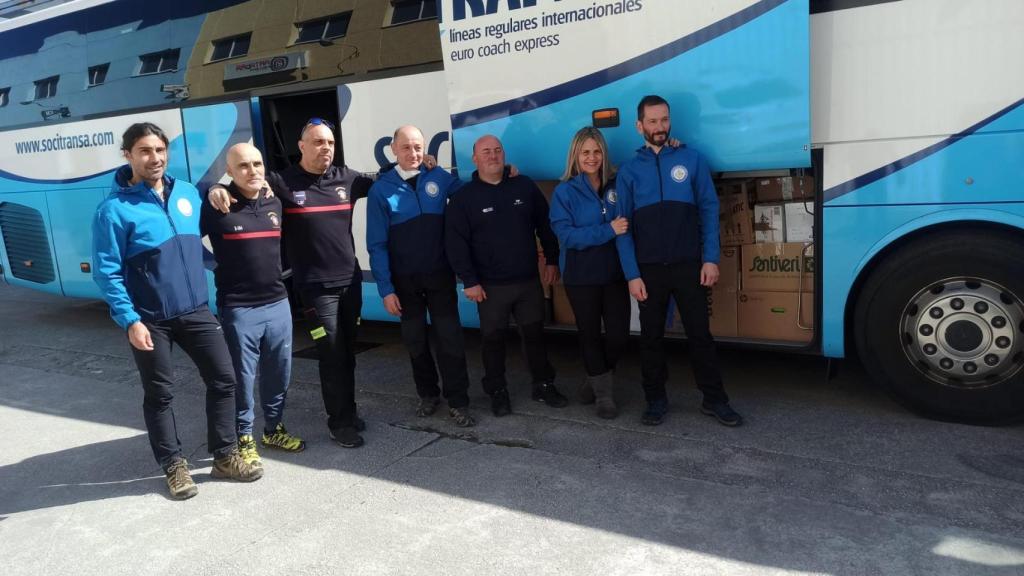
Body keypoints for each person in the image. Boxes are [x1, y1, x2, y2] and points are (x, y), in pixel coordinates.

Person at [92, 123, 262, 501]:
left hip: (196, 310)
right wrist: (130, 320)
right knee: (160, 394)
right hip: (149, 318)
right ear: (128, 156)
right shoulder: (114, 210)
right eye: (144, 151)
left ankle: (224, 455)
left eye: (159, 150)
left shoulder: (186, 192)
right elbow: (107, 271)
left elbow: (214, 212)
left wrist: (219, 188)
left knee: (224, 379)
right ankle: (173, 465)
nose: (154, 158)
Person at [208, 118, 370, 448]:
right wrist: (216, 188)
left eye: (330, 143)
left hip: (350, 283)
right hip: (314, 288)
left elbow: (388, 180)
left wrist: (420, 163)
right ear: (302, 146)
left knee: (348, 353)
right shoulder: (281, 182)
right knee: (331, 353)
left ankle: (348, 412)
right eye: (318, 142)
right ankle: (338, 422)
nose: (325, 148)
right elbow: (243, 181)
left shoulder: (347, 179)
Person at [615, 95, 743, 427]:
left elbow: (709, 209)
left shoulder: (691, 159)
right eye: (653, 121)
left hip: (689, 265)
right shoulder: (628, 171)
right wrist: (632, 274)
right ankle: (655, 400)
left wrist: (711, 259)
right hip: (649, 270)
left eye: (664, 120)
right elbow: (623, 228)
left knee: (700, 335)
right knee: (651, 338)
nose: (660, 127)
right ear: (639, 125)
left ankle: (715, 400)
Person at [445, 134, 568, 416]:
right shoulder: (464, 198)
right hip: (489, 287)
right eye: (486, 151)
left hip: (527, 282)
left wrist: (552, 260)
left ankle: (544, 384)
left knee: (535, 335)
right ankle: (497, 390)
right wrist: (470, 281)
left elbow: (545, 226)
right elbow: (456, 244)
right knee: (493, 341)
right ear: (474, 159)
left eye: (497, 150)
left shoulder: (523, 186)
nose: (492, 155)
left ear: (504, 155)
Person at [201, 143, 305, 467]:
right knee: (242, 379)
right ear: (229, 171)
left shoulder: (274, 199)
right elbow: (186, 228)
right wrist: (212, 188)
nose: (253, 171)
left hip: (277, 303)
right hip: (239, 308)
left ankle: (273, 430)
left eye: (257, 164)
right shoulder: (217, 204)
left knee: (279, 372)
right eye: (243, 166)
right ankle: (244, 437)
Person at [366, 126, 475, 427]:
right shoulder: (380, 190)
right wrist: (386, 289)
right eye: (406, 148)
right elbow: (376, 244)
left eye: (417, 147)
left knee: (450, 340)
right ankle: (428, 395)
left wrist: (504, 172)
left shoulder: (438, 177)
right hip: (404, 283)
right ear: (393, 149)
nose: (412, 154)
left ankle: (459, 401)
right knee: (415, 342)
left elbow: (471, 194)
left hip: (439, 276)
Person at [549, 127, 630, 419]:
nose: (592, 157)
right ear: (576, 155)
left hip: (615, 273)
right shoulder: (564, 192)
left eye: (597, 151)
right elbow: (567, 236)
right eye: (586, 152)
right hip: (581, 276)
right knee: (590, 335)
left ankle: (594, 378)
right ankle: (604, 395)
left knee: (619, 336)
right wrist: (608, 230)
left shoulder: (618, 183)